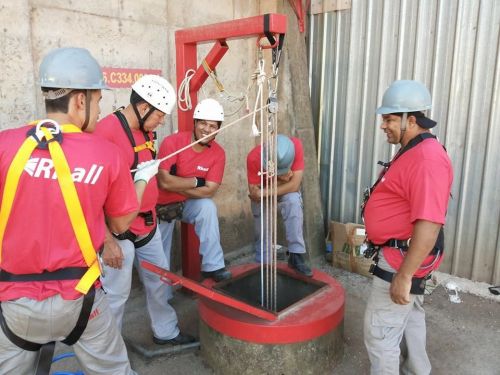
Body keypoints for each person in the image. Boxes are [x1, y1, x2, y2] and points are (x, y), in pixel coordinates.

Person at [0, 47, 148, 374]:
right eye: (97, 101)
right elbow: (122, 222)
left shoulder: (4, 145)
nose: (99, 110)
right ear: (79, 100)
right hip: (80, 300)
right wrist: (140, 183)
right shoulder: (106, 154)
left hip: (13, 302)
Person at [93, 75, 195, 345]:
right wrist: (106, 240)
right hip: (119, 230)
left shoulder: (146, 131)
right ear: (142, 107)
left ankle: (166, 331)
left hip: (148, 224)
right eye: (159, 116)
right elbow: (89, 197)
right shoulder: (106, 134)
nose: (162, 122)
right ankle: (109, 354)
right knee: (115, 295)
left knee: (160, 282)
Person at [362, 80, 453, 374]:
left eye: (389, 119)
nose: (383, 126)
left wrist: (404, 275)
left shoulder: (426, 159)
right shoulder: (413, 149)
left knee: (381, 335)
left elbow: (429, 222)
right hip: (402, 256)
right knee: (410, 316)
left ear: (410, 120)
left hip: (399, 261)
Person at [156, 98, 231, 282]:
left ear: (218, 129)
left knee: (207, 207)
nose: (207, 129)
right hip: (160, 206)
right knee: (159, 258)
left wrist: (178, 185)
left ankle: (213, 266)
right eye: (203, 123)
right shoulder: (172, 142)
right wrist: (195, 182)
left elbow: (209, 191)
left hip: (185, 204)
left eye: (213, 126)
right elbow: (164, 182)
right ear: (195, 123)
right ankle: (163, 296)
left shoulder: (218, 153)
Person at [246, 134, 313, 277]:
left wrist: (265, 190)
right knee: (261, 211)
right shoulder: (254, 157)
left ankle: (296, 255)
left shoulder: (295, 146)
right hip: (264, 194)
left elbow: (294, 185)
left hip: (269, 190)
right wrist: (281, 181)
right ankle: (263, 262)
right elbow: (254, 193)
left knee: (293, 200)